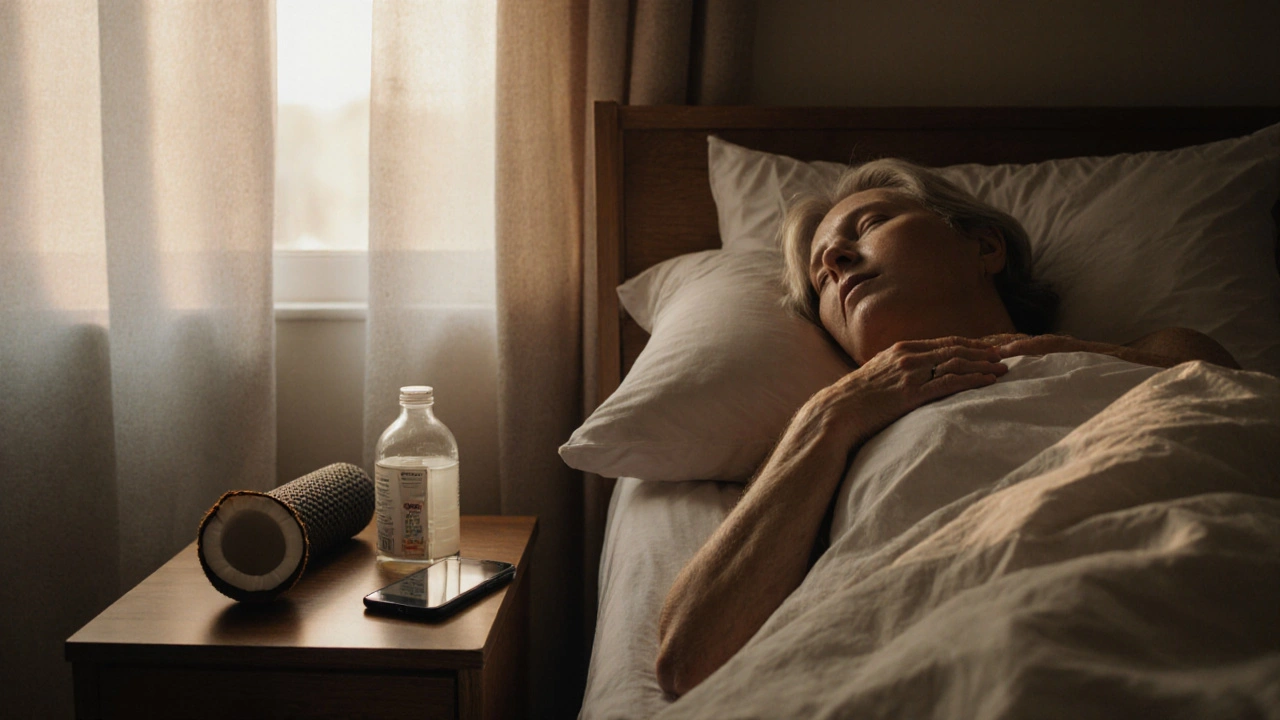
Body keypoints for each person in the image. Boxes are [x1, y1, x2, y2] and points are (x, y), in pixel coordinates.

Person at [653, 158, 1240, 697]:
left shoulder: (1156, 354)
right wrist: (830, 414)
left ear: (984, 246)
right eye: (821, 278)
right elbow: (688, 659)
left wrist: (1058, 353)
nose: (835, 261)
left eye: (869, 224)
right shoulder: (832, 446)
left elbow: (1236, 425)